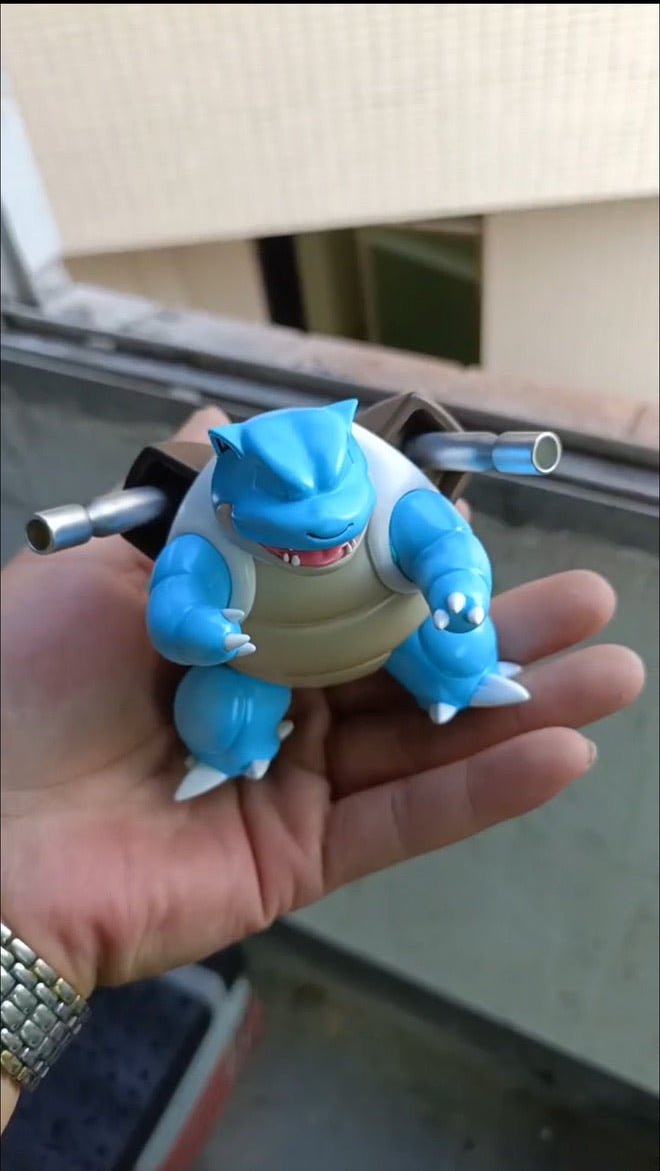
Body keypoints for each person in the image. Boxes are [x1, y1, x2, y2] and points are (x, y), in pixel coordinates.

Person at [0, 407, 645, 1131]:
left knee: (459, 649)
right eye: (289, 519)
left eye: (334, 515)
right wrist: (198, 629)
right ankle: (238, 753)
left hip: (394, 635)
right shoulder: (210, 527)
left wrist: (457, 587)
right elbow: (175, 606)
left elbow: (446, 542)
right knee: (218, 717)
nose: (318, 534)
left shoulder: (390, 488)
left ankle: (460, 682)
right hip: (260, 664)